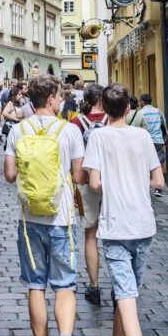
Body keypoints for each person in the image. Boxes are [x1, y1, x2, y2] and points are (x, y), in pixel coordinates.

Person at [4, 75, 85, 336]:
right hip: (61, 219)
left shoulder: (18, 130)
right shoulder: (69, 130)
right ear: (50, 99)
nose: (61, 101)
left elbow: (9, 175)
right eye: (60, 96)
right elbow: (79, 176)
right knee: (65, 284)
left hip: (29, 221)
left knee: (35, 285)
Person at [83, 83, 164, 336]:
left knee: (126, 294)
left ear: (104, 108)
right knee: (127, 292)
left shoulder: (99, 136)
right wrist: (137, 181)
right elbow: (159, 181)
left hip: (116, 225)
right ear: (129, 108)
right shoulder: (142, 136)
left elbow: (94, 183)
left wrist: (114, 184)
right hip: (142, 225)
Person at [72, 83, 106, 305]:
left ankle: (94, 286)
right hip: (111, 183)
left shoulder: (76, 123)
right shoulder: (112, 118)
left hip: (85, 182)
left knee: (90, 236)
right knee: (116, 236)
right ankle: (120, 287)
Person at [135, 94, 168, 196]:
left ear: (142, 102)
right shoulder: (158, 111)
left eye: (140, 101)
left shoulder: (140, 113)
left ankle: (144, 187)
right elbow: (164, 125)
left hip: (146, 141)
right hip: (158, 141)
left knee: (145, 164)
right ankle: (158, 189)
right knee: (158, 164)